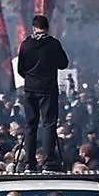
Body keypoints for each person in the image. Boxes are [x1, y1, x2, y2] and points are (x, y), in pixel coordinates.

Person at [14, 15, 69, 168]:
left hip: (30, 90)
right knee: (48, 124)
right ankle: (48, 161)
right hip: (48, 89)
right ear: (47, 28)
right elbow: (63, 64)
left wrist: (31, 78)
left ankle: (29, 163)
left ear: (33, 27)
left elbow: (20, 68)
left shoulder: (26, 44)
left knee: (30, 125)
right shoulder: (53, 44)